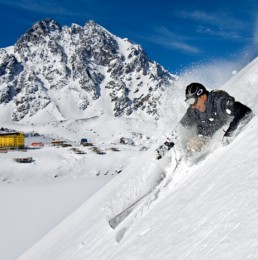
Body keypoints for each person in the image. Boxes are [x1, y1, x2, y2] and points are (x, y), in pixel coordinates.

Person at [180, 82, 253, 153]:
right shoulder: (193, 110)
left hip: (219, 136)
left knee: (191, 146)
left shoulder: (218, 101)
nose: (192, 106)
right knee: (188, 147)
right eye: (189, 102)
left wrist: (230, 133)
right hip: (204, 139)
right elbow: (180, 127)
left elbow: (244, 111)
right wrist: (170, 142)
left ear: (202, 96)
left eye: (192, 101)